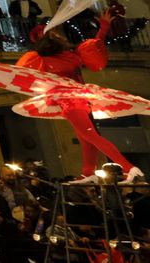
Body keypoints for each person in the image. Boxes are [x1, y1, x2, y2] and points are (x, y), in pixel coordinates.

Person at [17, 21, 141, 179]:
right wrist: (103, 28)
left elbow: (92, 49)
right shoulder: (67, 56)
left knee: (90, 136)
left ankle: (128, 167)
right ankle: (88, 173)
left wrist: (103, 28)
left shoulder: (48, 58)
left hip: (71, 102)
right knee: (86, 138)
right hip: (79, 99)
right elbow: (93, 48)